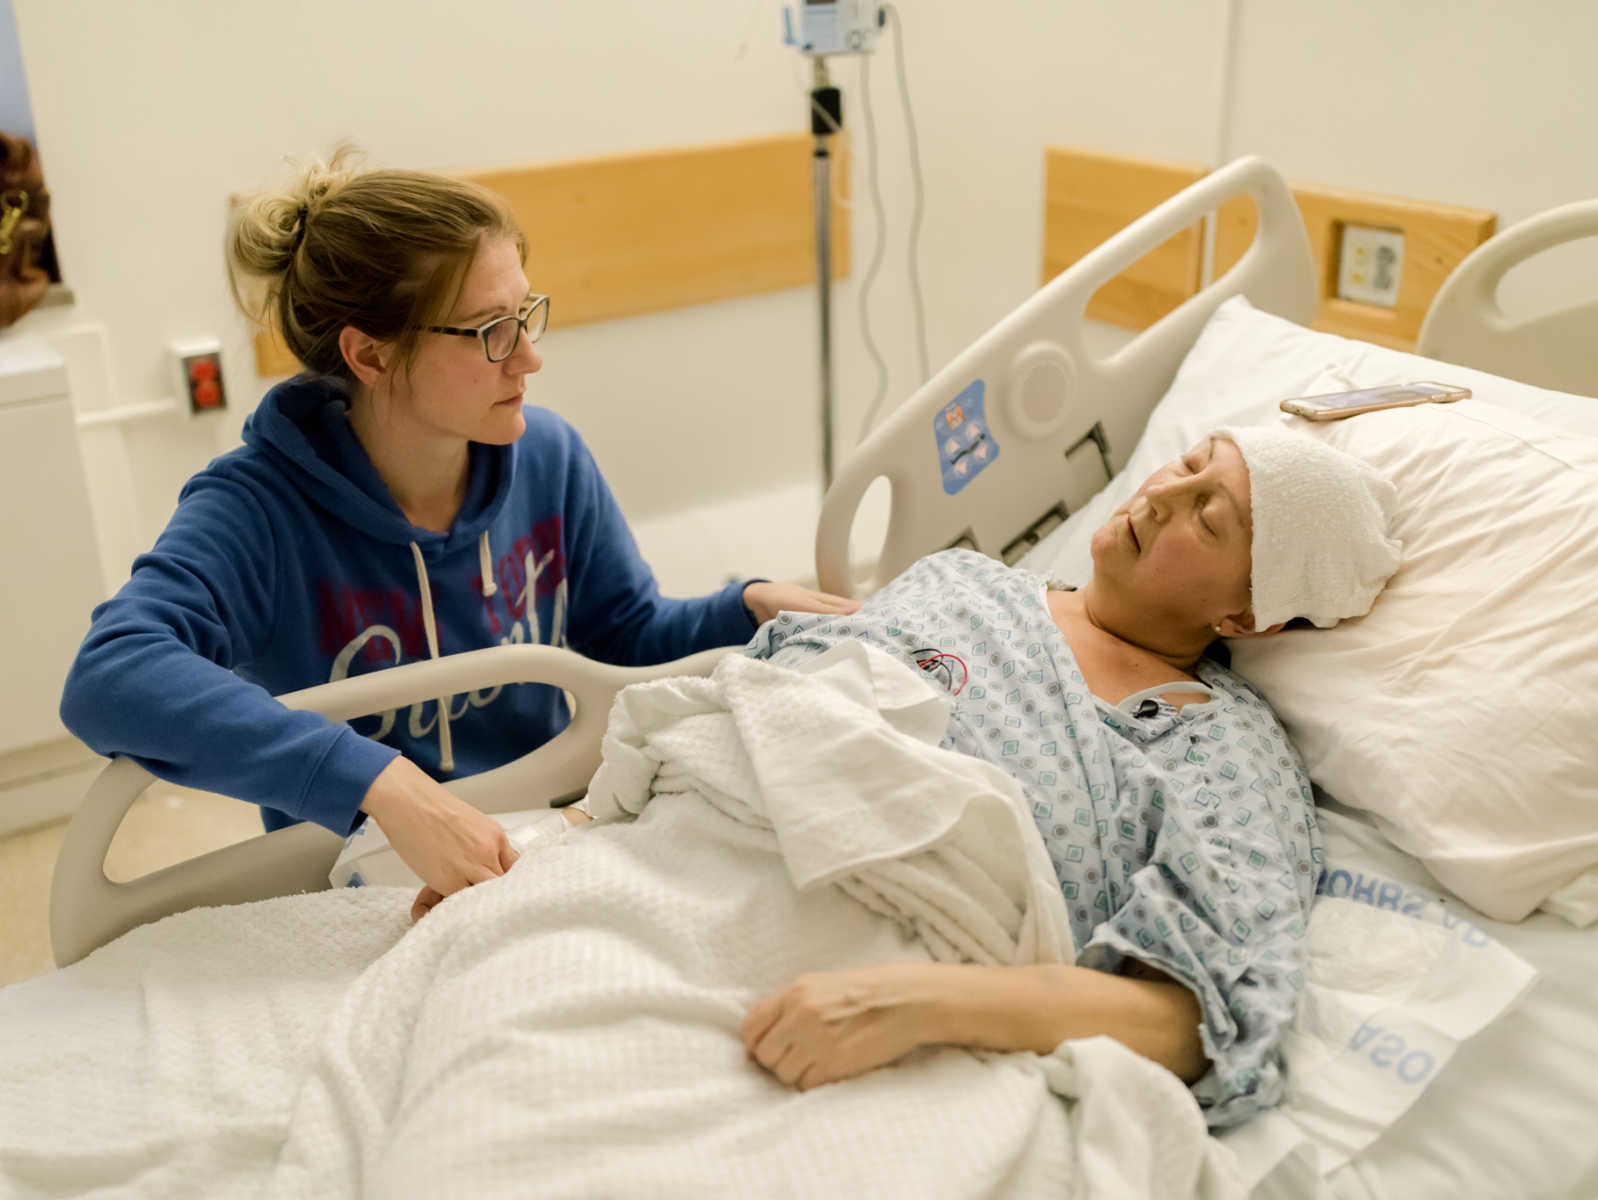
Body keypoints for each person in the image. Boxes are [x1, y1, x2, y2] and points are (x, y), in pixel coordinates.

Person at [58, 150, 855, 916]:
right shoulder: (259, 511)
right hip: (364, 874)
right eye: (490, 332)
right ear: (370, 355)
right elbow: (114, 673)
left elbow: (625, 636)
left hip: (557, 832)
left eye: (527, 315)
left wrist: (745, 606)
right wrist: (379, 784)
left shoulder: (547, 458)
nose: (531, 357)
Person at [737, 424, 1403, 1127]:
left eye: (1207, 518)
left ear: (1243, 616)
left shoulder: (1216, 746)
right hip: (714, 856)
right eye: (1185, 465)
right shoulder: (962, 580)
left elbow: (1202, 1020)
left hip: (878, 979)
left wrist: (910, 1003)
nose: (1162, 495)